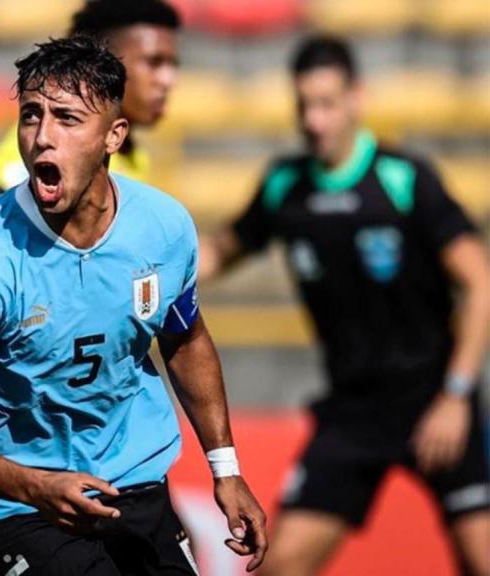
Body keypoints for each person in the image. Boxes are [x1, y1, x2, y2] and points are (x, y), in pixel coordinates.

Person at [0, 36, 267, 575]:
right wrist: (35, 485)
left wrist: (226, 468)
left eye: (68, 119)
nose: (43, 138)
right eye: (31, 116)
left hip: (132, 480)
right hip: (15, 503)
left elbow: (185, 339)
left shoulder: (163, 229)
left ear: (113, 136)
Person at [198, 35, 490, 576]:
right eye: (304, 105)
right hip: (353, 411)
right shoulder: (286, 186)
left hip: (434, 401)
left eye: (327, 103)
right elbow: (222, 250)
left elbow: (480, 282)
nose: (314, 120)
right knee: (280, 566)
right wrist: (160, 274)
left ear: (356, 98)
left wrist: (456, 394)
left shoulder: (403, 179)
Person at [0, 0, 180, 201]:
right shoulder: (44, 138)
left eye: (173, 65)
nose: (167, 80)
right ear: (104, 62)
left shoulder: (133, 156)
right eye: (154, 62)